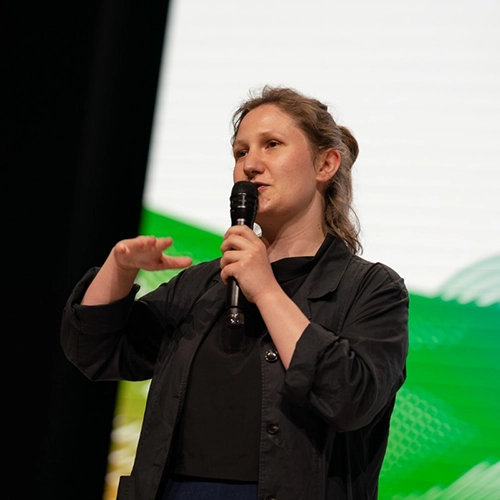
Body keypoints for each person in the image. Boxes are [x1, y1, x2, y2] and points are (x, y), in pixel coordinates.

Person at [61, 85, 409, 500]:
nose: (250, 164)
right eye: (240, 152)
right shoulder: (204, 284)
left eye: (271, 145)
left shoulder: (371, 289)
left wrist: (265, 289)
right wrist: (119, 267)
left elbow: (352, 397)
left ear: (326, 163)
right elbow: (96, 352)